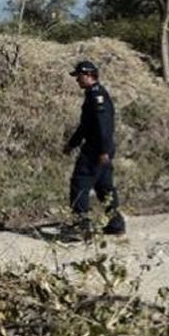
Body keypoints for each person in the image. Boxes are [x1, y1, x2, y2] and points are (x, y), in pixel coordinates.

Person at [63, 60, 126, 235]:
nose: (77, 80)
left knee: (79, 184)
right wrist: (72, 143)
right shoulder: (92, 94)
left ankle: (81, 227)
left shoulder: (97, 96)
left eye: (79, 76)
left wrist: (104, 150)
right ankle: (115, 224)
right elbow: (85, 126)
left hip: (96, 150)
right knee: (104, 186)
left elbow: (103, 124)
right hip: (100, 149)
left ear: (90, 75)